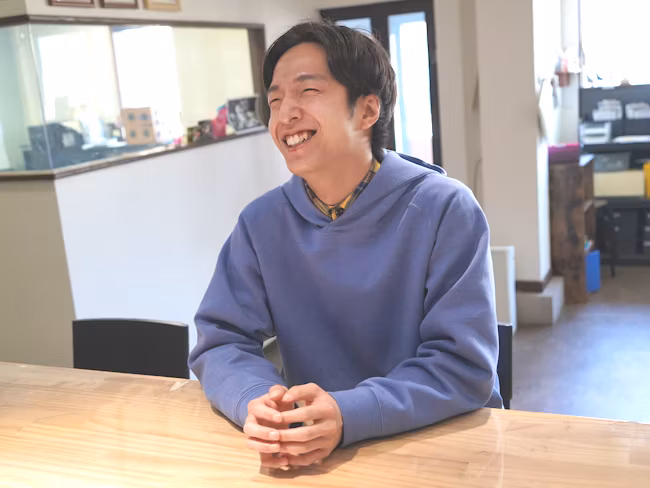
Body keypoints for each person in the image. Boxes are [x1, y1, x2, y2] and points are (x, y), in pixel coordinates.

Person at [189, 21, 502, 470]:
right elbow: (221, 341)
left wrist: (348, 411)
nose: (285, 114)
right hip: (317, 453)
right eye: (275, 100)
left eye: (307, 91)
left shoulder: (444, 208)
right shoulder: (261, 223)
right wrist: (256, 400)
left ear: (367, 110)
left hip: (442, 445)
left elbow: (463, 366)